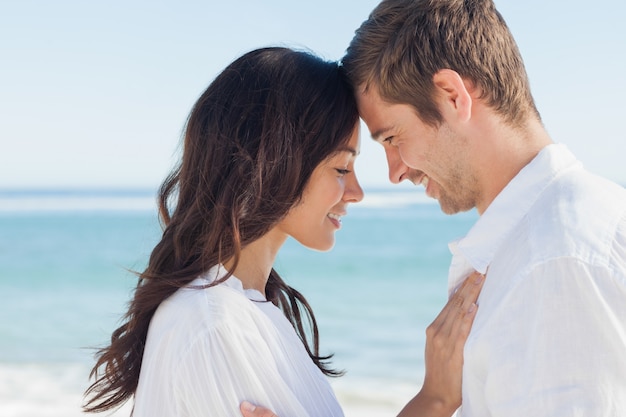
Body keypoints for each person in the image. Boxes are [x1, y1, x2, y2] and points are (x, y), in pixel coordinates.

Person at [242, 0, 626, 416]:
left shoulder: (557, 262)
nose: (394, 172)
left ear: (451, 95)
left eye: (391, 138)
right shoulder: (542, 243)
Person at [83, 46, 483, 417]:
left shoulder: (247, 313)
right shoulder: (216, 327)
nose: (357, 192)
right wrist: (436, 398)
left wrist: (437, 396)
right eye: (341, 169)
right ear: (273, 165)